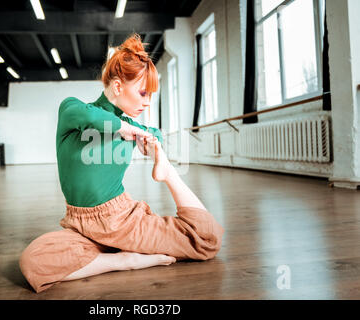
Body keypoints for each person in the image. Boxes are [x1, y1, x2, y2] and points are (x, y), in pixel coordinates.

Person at [19, 33, 225, 293]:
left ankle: (168, 175)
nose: (147, 101)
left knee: (207, 240)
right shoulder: (72, 110)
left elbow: (155, 134)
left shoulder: (135, 127)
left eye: (150, 94)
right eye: (142, 93)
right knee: (33, 261)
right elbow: (86, 115)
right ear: (118, 87)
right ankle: (123, 259)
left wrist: (155, 148)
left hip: (121, 220)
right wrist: (123, 129)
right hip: (79, 223)